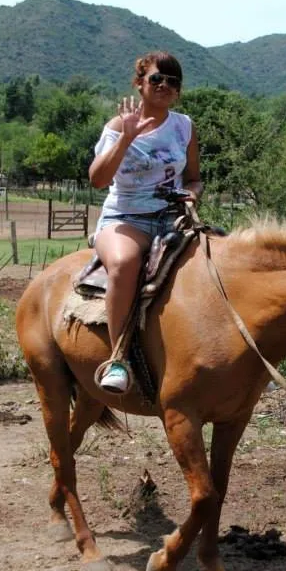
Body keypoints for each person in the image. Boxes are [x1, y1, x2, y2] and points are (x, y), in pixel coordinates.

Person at [87, 51, 203, 393]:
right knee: (124, 264)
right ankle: (119, 359)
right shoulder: (118, 126)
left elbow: (194, 178)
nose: (165, 85)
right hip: (124, 218)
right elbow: (96, 178)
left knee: (221, 259)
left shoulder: (184, 126)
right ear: (139, 83)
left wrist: (192, 195)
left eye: (173, 81)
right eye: (156, 78)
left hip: (172, 219)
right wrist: (126, 138)